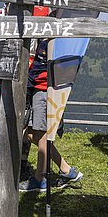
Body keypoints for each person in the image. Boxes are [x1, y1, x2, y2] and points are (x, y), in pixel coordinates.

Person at [19, 39, 83, 192]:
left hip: (45, 88)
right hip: (38, 86)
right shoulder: (48, 38)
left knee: (41, 135)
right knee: (32, 135)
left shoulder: (56, 40)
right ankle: (67, 170)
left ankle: (40, 179)